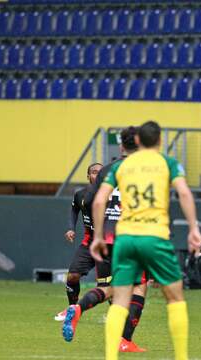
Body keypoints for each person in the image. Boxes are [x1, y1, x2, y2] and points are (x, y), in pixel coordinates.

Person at [91, 121, 201, 360]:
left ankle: (110, 357)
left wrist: (98, 236)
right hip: (154, 237)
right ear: (160, 141)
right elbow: (184, 192)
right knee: (174, 297)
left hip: (125, 239)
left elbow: (99, 201)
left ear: (138, 141)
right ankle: (181, 357)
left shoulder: (121, 166)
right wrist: (194, 228)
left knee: (120, 299)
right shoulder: (168, 163)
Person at [61, 127, 147, 353]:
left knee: (109, 288)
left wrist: (98, 234)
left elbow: (95, 202)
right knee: (139, 286)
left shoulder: (107, 171)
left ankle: (78, 308)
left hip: (106, 237)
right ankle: (125, 340)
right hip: (131, 237)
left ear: (121, 147)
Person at [54, 163, 102, 321]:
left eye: (100, 172)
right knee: (72, 276)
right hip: (89, 242)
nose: (97, 175)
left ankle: (119, 315)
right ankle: (72, 310)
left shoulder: (113, 195)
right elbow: (74, 209)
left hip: (109, 244)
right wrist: (71, 228)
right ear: (88, 176)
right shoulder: (80, 194)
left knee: (108, 284)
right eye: (94, 172)